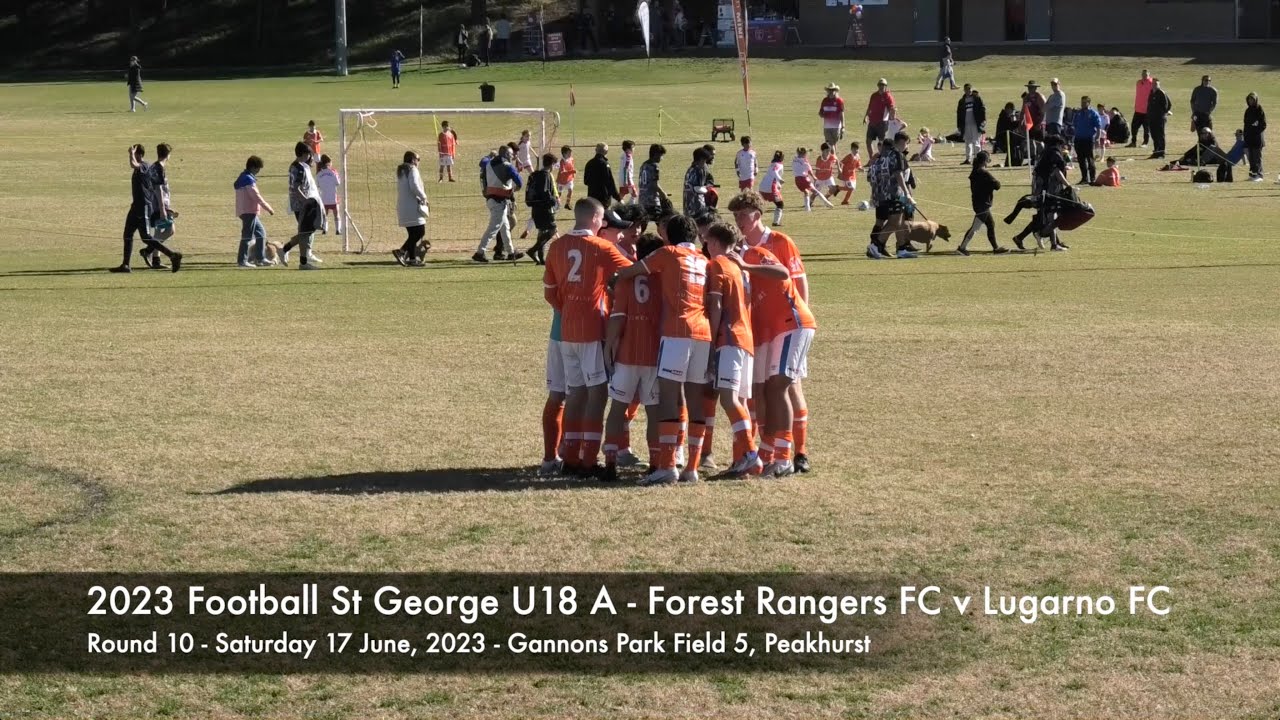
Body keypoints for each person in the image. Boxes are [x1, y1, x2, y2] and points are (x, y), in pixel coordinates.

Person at [613, 215, 712, 485]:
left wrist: (614, 279)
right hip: (703, 333)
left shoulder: (668, 253)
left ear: (668, 235)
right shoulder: (705, 260)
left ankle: (667, 465)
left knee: (669, 397)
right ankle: (692, 467)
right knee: (694, 399)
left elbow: (630, 272)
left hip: (677, 331)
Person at [726, 191, 816, 476]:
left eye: (743, 214)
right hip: (760, 329)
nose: (739, 220)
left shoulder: (779, 242)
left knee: (787, 386)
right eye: (736, 215)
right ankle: (765, 452)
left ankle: (795, 453)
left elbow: (796, 283)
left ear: (757, 213)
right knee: (761, 391)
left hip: (788, 324)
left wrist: (798, 320)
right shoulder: (739, 248)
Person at [544, 198, 634, 478]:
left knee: (576, 392)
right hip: (591, 328)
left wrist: (567, 308)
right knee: (597, 392)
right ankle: (587, 459)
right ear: (596, 219)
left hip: (566, 330)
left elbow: (549, 291)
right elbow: (633, 270)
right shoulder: (601, 246)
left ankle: (570, 457)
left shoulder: (556, 246)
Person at [602, 233, 665, 482]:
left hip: (628, 354)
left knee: (617, 408)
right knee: (653, 411)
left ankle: (609, 461)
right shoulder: (662, 279)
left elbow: (617, 318)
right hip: (654, 354)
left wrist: (610, 346)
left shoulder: (626, 279)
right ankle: (655, 462)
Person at [703, 223, 763, 477]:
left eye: (707, 241)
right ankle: (743, 459)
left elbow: (716, 306)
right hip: (745, 338)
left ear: (714, 242)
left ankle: (750, 454)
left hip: (729, 338)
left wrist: (710, 340)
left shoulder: (717, 264)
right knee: (737, 401)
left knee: (728, 398)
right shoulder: (739, 268)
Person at [112, 144, 182, 273]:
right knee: (127, 234)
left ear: (139, 155)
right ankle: (125, 265)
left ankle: (173, 255)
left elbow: (134, 164)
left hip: (143, 206)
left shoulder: (144, 166)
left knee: (146, 237)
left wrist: (131, 154)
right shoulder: (145, 168)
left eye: (135, 154)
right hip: (136, 206)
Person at [474, 145, 523, 263]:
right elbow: (519, 182)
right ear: (506, 155)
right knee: (493, 228)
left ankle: (511, 253)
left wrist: (490, 154)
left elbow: (482, 161)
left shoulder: (489, 163)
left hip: (491, 199)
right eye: (511, 155)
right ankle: (480, 252)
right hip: (499, 201)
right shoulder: (508, 166)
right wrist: (513, 190)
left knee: (505, 227)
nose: (512, 157)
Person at [278, 142, 323, 269]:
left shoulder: (296, 166)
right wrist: (306, 202)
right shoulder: (300, 168)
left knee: (307, 232)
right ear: (305, 154)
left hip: (300, 204)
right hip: (302, 205)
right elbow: (296, 188)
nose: (310, 157)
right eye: (309, 154)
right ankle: (302, 262)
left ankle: (286, 250)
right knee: (305, 232)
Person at [866, 136, 911, 259]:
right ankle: (876, 245)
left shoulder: (879, 158)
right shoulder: (897, 155)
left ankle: (901, 249)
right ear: (901, 142)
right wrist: (907, 193)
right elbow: (899, 174)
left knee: (899, 220)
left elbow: (870, 177)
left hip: (879, 195)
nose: (907, 146)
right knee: (894, 221)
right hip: (893, 193)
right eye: (906, 143)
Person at [957, 151, 1007, 256]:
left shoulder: (975, 172)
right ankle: (962, 247)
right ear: (984, 161)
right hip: (982, 205)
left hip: (978, 203)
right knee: (975, 228)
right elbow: (997, 185)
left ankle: (996, 248)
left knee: (991, 224)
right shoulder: (984, 173)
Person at [234, 155, 275, 268]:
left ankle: (260, 258)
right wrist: (268, 207)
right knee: (247, 236)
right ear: (253, 167)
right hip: (248, 211)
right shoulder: (248, 179)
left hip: (249, 211)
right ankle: (242, 261)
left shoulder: (244, 177)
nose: (258, 171)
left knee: (261, 233)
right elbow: (256, 196)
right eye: (257, 169)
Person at [392, 151, 430, 267]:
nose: (419, 162)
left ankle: (412, 259)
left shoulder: (401, 171)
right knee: (420, 231)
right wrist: (424, 197)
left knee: (412, 234)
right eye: (418, 159)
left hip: (403, 206)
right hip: (412, 206)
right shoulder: (412, 169)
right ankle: (401, 251)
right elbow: (414, 186)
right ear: (413, 159)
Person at [524, 153, 560, 264]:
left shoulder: (534, 175)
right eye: (554, 164)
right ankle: (532, 250)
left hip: (535, 208)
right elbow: (545, 192)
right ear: (551, 164)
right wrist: (553, 200)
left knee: (542, 231)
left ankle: (541, 258)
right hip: (544, 208)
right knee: (553, 229)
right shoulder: (546, 175)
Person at [1072, 96, 1104, 185]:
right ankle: (1084, 178)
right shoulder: (1078, 113)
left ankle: (1092, 178)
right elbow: (1075, 124)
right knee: (1081, 159)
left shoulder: (1093, 113)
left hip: (1088, 139)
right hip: (1078, 139)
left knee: (1089, 159)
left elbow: (1098, 126)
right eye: (1082, 102)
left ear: (1089, 103)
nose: (1082, 104)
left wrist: (1097, 137)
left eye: (1084, 102)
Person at [791, 147, 833, 212]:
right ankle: (827, 203)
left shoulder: (794, 159)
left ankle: (807, 209)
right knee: (816, 192)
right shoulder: (805, 161)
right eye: (806, 153)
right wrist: (814, 177)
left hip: (797, 180)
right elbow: (809, 170)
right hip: (804, 179)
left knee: (806, 192)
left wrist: (809, 150)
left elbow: (801, 154)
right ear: (804, 154)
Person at [638, 144, 671, 218]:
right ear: (656, 155)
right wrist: (663, 194)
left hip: (642, 199)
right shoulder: (654, 166)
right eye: (661, 156)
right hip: (652, 201)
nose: (662, 158)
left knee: (643, 221)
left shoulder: (643, 165)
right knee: (661, 221)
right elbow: (654, 184)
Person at [584, 143, 620, 207]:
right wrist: (617, 197)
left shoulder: (589, 163)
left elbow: (586, 181)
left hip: (592, 196)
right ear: (606, 152)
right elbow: (610, 182)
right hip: (603, 197)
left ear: (596, 150)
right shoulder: (605, 164)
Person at [957, 84, 986, 164]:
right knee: (967, 142)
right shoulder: (962, 101)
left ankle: (978, 159)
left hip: (975, 124)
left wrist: (983, 120)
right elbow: (959, 114)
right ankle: (968, 159)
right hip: (966, 125)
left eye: (969, 89)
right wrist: (959, 125)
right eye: (966, 89)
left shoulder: (977, 99)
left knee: (976, 142)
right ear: (964, 90)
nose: (968, 91)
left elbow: (983, 109)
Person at [864, 78, 896, 150]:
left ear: (886, 86)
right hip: (872, 122)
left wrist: (892, 117)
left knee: (882, 142)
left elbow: (892, 108)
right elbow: (869, 107)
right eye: (880, 85)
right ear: (878, 86)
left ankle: (882, 158)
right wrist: (866, 116)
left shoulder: (888, 96)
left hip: (882, 123)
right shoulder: (874, 95)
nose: (881, 86)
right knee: (868, 141)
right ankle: (871, 159)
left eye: (883, 85)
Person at [758, 150, 786, 226]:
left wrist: (779, 185)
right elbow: (775, 172)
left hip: (762, 186)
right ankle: (776, 222)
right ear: (782, 158)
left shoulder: (772, 164)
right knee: (780, 204)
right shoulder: (779, 165)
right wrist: (780, 179)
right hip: (770, 188)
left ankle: (752, 219)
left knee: (758, 205)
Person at [683, 147, 713, 217]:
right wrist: (707, 188)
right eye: (705, 161)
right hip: (697, 206)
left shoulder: (690, 169)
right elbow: (697, 189)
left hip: (688, 206)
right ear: (701, 159)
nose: (705, 163)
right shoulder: (698, 170)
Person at [315, 155, 342, 235]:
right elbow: (338, 182)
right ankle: (338, 230)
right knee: (336, 214)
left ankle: (325, 229)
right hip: (333, 196)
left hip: (323, 197)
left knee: (325, 215)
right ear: (329, 163)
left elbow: (318, 184)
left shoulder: (319, 174)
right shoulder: (333, 172)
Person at [1147, 78, 1173, 159]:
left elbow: (1168, 105)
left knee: (1160, 135)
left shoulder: (1161, 93)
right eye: (1153, 83)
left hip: (1159, 118)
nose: (1154, 85)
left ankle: (1161, 153)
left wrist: (1163, 113)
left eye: (1156, 84)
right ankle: (1156, 152)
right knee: (1154, 135)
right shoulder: (1151, 92)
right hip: (1152, 117)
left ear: (1159, 84)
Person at [1244, 93, 1267, 181]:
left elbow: (1263, 124)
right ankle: (1253, 174)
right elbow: (1246, 124)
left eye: (1252, 99)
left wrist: (1256, 129)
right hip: (1249, 137)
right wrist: (1246, 135)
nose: (1251, 101)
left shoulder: (1259, 109)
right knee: (1251, 157)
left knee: (1257, 157)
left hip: (1257, 138)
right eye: (1249, 99)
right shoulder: (1247, 110)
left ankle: (1259, 175)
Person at [1129, 69, 1155, 148]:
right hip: (1138, 109)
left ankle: (1145, 143)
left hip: (1147, 110)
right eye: (1143, 74)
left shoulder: (1151, 83)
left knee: (1146, 128)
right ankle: (1133, 142)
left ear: (1149, 75)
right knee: (1134, 126)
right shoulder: (1138, 83)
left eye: (1146, 75)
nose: (1144, 76)